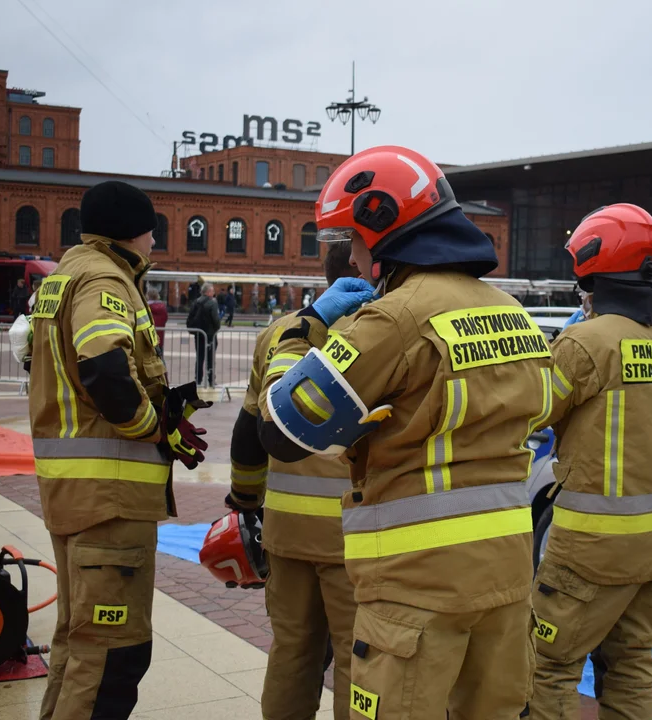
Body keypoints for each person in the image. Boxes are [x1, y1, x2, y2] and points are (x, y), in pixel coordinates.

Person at [257, 146, 551, 718]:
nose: (352, 254)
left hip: (415, 587)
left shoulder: (393, 319)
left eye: (352, 238)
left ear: (378, 230)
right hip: (507, 578)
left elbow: (283, 431)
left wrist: (301, 330)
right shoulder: (512, 311)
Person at [29, 180, 212, 720]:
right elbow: (104, 369)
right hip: (108, 503)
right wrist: (155, 427)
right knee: (112, 656)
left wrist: (164, 427)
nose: (155, 241)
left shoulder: (65, 275)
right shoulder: (106, 279)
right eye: (153, 229)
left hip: (77, 496)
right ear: (135, 230)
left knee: (77, 645)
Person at [529, 205, 652, 719]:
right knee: (632, 664)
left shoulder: (586, 342)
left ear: (593, 271)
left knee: (548, 664)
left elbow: (527, 412)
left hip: (588, 547)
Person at [222, 241, 360, 719]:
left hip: (286, 532)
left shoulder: (281, 332)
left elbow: (249, 432)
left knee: (293, 654)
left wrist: (244, 499)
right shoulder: (380, 332)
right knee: (356, 660)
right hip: (356, 540)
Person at [187, 282, 220, 386]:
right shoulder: (212, 303)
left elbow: (190, 317)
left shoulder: (196, 302)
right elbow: (216, 320)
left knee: (199, 358)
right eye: (213, 291)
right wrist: (215, 329)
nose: (214, 293)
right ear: (208, 292)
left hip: (198, 334)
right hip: (210, 335)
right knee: (210, 359)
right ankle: (211, 380)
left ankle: (198, 379)